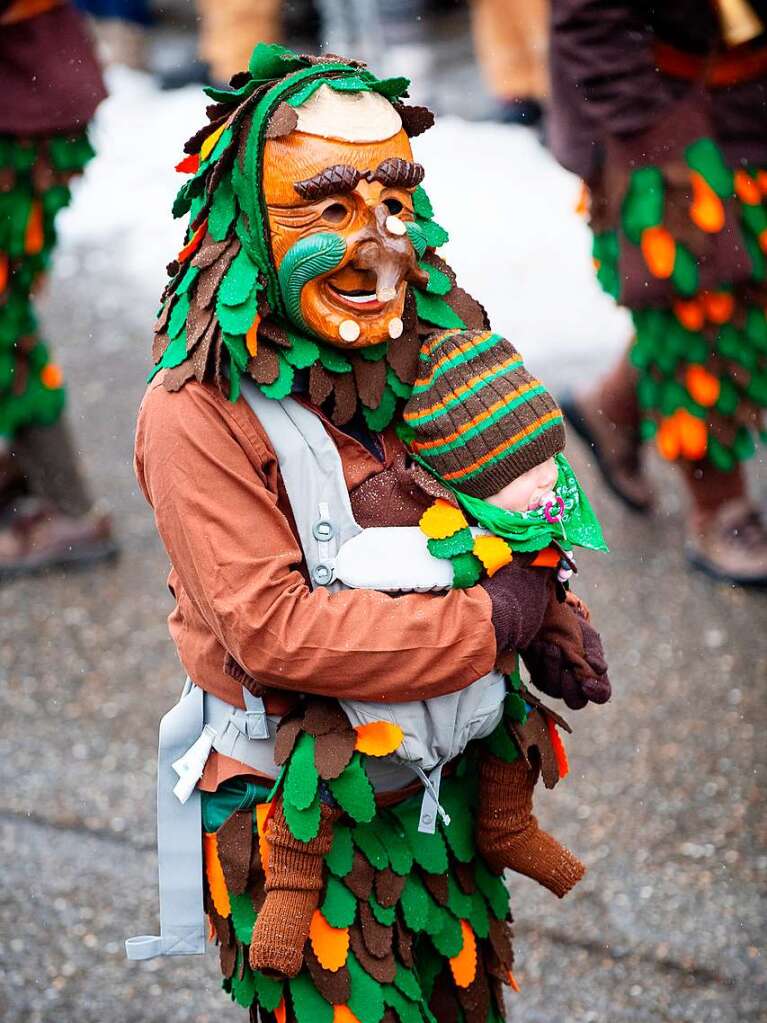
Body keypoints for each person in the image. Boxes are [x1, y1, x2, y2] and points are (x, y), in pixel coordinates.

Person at [135, 44, 603, 1021]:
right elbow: (274, 632)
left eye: (393, 205)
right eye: (330, 208)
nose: (376, 245)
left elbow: (504, 500)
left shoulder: (424, 342)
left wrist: (553, 612)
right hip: (296, 811)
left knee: (465, 996)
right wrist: (493, 623)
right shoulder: (193, 412)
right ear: (252, 226)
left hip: (442, 793)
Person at [247, 332, 611, 976]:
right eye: (526, 475)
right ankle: (290, 890)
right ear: (468, 482)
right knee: (318, 769)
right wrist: (484, 604)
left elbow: (548, 577)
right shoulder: (418, 537)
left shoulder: (523, 526)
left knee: (518, 724)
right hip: (381, 711)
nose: (549, 486)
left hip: (469, 703)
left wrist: (561, 625)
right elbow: (355, 565)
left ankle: (507, 823)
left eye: (551, 464)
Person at [548, 0, 767, 586]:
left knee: (753, 295)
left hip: (749, 90)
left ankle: (613, 408)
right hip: (655, 100)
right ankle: (719, 507)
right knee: (692, 306)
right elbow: (589, 17)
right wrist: (647, 136)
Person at [0, 0, 116, 577]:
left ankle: (67, 507)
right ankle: (24, 472)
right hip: (29, 92)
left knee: (4, 309)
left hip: (24, 107)